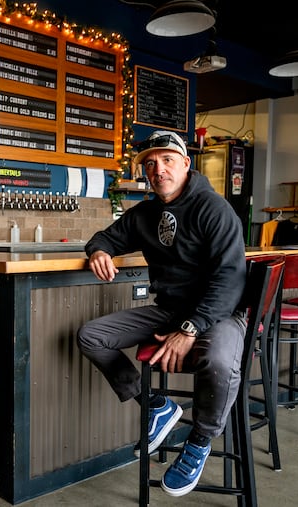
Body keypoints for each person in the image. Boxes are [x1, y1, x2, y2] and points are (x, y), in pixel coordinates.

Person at [77, 130, 247, 497]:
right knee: (91, 336)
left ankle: (199, 442)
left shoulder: (214, 209)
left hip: (220, 314)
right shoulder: (146, 212)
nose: (159, 170)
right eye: (151, 163)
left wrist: (189, 330)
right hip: (169, 311)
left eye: (168, 160)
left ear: (186, 163)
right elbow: (106, 236)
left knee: (218, 362)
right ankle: (155, 404)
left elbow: (230, 280)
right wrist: (98, 251)